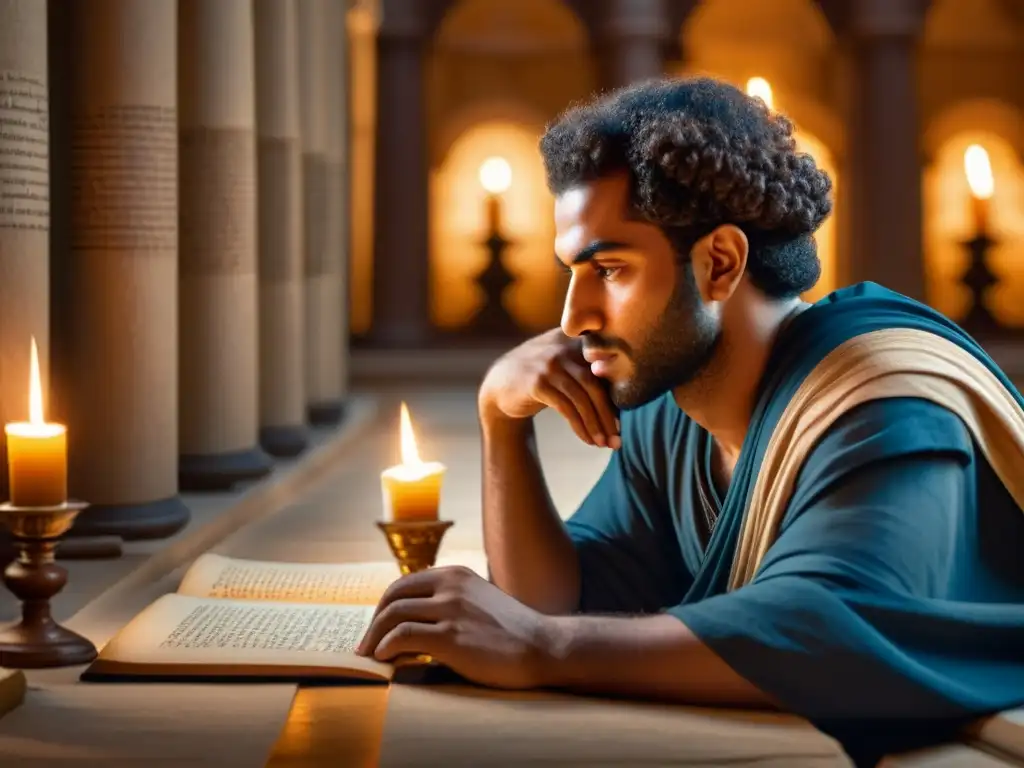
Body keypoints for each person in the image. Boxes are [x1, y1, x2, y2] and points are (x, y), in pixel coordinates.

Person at [357, 76, 1024, 765]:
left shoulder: (884, 396)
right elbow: (563, 600)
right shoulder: (673, 407)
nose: (571, 319)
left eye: (609, 270)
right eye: (572, 273)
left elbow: (829, 630)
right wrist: (501, 420)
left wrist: (540, 650)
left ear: (720, 264)